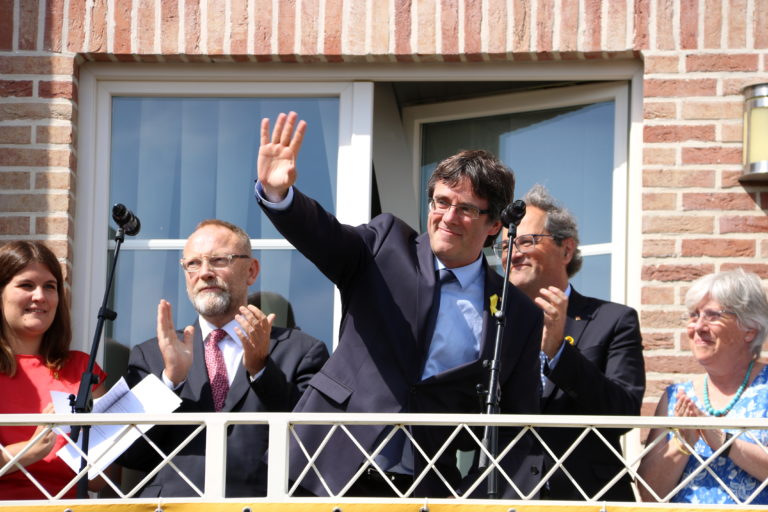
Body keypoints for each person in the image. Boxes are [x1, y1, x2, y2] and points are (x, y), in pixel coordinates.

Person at [255, 112, 543, 498]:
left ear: (494, 225)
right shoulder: (387, 244)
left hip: (426, 485)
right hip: (324, 462)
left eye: (466, 209)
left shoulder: (518, 313)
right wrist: (280, 197)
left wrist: (482, 500)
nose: (448, 217)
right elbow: (323, 236)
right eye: (441, 202)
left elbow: (518, 425)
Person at [118, 219, 329, 497]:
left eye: (219, 260)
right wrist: (170, 382)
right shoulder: (152, 355)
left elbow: (315, 447)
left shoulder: (302, 351)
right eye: (193, 264)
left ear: (251, 271)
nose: (204, 273)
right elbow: (129, 455)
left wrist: (261, 370)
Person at [494, 184, 645, 500]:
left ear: (566, 250)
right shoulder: (494, 324)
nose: (513, 253)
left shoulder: (613, 320)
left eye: (527, 241)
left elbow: (623, 415)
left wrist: (559, 353)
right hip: (506, 495)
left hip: (589, 497)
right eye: (506, 245)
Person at [637, 269, 768, 504]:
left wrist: (724, 441)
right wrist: (680, 446)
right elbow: (648, 496)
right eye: (694, 315)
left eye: (712, 316)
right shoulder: (676, 397)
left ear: (750, 329)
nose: (698, 327)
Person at [0, 241, 108, 499]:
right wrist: (30, 450)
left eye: (50, 286)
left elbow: (101, 481)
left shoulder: (82, 369)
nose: (40, 296)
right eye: (27, 285)